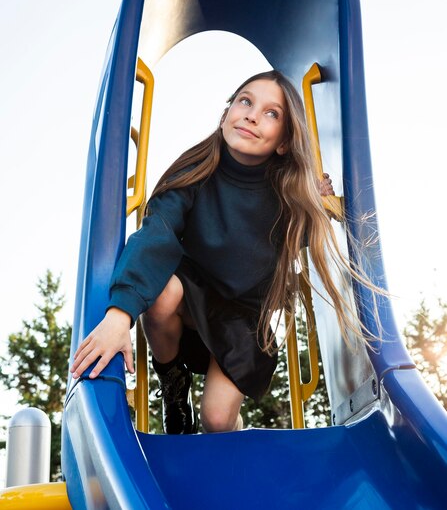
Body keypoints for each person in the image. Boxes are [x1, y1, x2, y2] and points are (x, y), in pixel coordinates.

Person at [70, 69, 379, 435]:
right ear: (226, 113)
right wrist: (119, 316)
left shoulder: (290, 196)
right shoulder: (194, 171)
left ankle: (233, 435)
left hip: (243, 320)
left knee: (217, 420)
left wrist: (317, 199)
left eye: (271, 113)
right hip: (190, 307)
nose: (251, 114)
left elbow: (311, 237)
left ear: (283, 141)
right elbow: (158, 234)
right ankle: (173, 385)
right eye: (245, 101)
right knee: (164, 291)